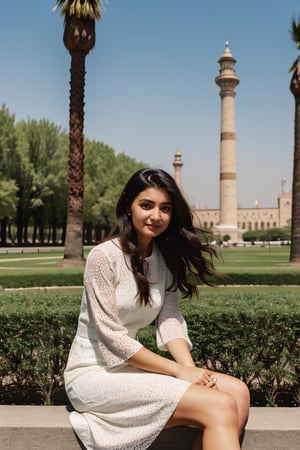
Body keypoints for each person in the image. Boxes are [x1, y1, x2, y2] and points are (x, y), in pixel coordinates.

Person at [64, 167, 250, 450]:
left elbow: (170, 319)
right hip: (93, 374)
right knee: (221, 403)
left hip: (130, 370)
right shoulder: (103, 257)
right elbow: (111, 337)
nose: (156, 216)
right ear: (128, 207)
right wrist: (178, 372)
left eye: (165, 208)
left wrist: (190, 369)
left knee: (238, 392)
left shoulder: (164, 257)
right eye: (146, 205)